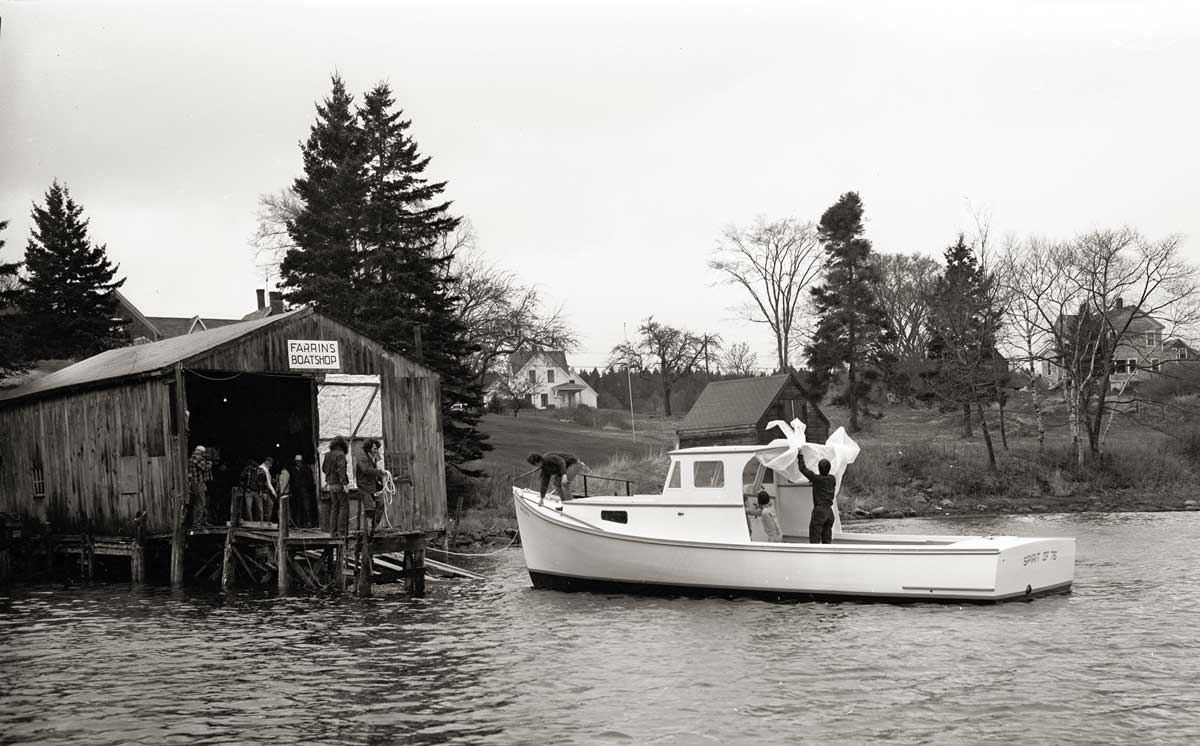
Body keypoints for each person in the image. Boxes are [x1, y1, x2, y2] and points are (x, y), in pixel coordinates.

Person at [798, 456, 838, 544]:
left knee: (814, 540)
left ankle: (814, 557)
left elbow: (802, 469)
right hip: (829, 513)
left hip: (819, 512)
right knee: (827, 541)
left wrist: (800, 456)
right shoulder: (832, 479)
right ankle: (826, 557)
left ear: (819, 469)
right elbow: (823, 483)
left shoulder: (816, 479)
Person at [355, 439, 387, 534]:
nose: (376, 450)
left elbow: (377, 467)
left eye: (377, 448)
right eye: (374, 448)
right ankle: (368, 530)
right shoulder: (363, 458)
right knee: (369, 508)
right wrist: (380, 472)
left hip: (374, 485)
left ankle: (374, 526)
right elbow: (366, 470)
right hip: (364, 486)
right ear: (369, 448)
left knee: (381, 503)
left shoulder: (375, 457)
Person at [322, 437, 350, 535]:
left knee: (334, 507)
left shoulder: (327, 455)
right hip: (339, 484)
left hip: (331, 484)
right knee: (343, 506)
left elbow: (324, 469)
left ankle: (333, 531)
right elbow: (341, 470)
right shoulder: (341, 455)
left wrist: (330, 477)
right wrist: (345, 484)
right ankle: (342, 531)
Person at [187, 445, 213, 527]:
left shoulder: (197, 457)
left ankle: (202, 521)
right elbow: (205, 468)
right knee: (200, 503)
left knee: (202, 502)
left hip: (200, 482)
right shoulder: (196, 457)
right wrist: (210, 463)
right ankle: (197, 523)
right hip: (197, 483)